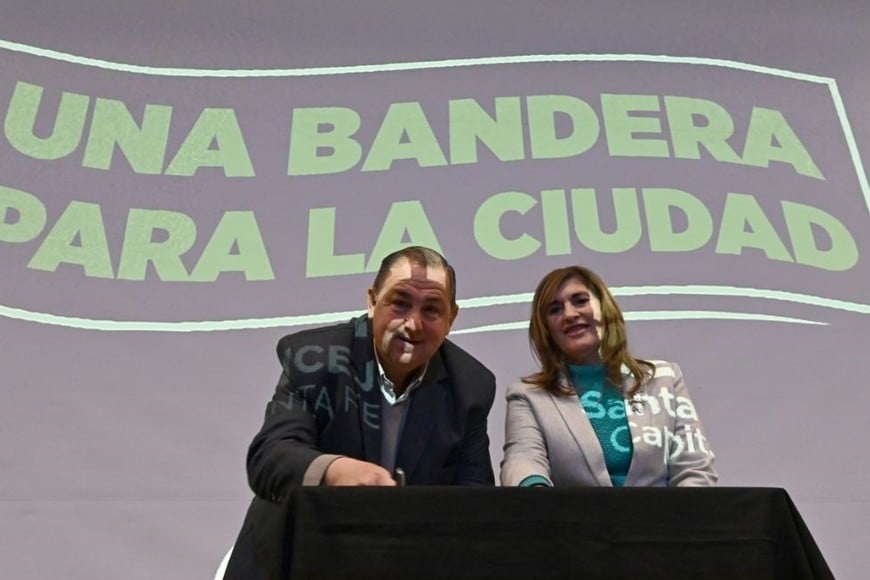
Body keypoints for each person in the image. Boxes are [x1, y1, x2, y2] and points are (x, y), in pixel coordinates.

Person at [225, 246, 496, 579]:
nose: (413, 324)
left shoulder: (470, 387)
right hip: (292, 559)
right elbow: (269, 458)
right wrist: (335, 471)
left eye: (431, 310)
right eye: (399, 303)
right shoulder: (314, 359)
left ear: (451, 318)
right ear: (372, 301)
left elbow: (475, 503)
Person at [500, 265, 717, 488]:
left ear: (605, 308)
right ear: (545, 329)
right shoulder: (528, 395)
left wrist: (678, 520)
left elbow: (695, 468)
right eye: (554, 310)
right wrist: (536, 500)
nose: (570, 314)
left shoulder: (663, 378)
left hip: (662, 520)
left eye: (580, 301)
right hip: (575, 521)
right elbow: (523, 460)